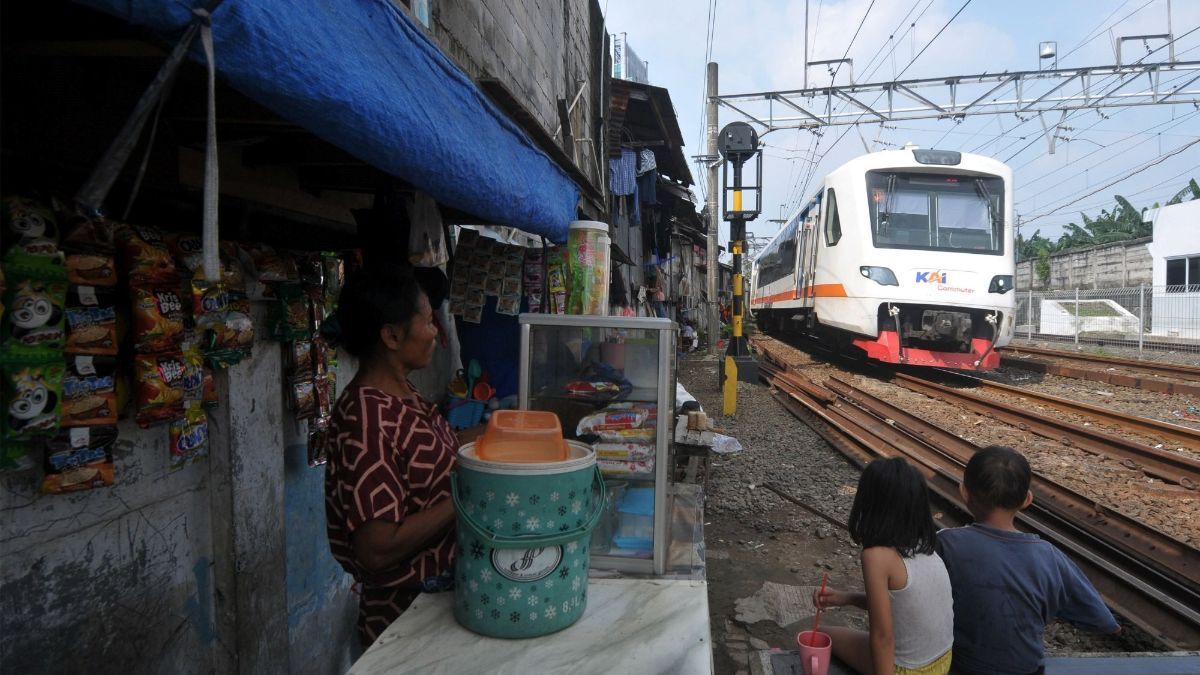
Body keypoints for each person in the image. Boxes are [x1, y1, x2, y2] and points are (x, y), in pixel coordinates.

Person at [324, 264, 459, 646]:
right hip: (404, 620)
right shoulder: (365, 419)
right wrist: (464, 496)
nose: (435, 333)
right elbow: (377, 548)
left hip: (440, 604)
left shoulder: (405, 394)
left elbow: (433, 450)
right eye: (429, 321)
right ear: (392, 335)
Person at [935, 446, 1119, 675]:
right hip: (1025, 669)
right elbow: (1102, 622)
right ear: (1026, 499)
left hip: (962, 668)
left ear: (963, 492)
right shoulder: (1049, 555)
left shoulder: (946, 544)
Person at [814, 457, 954, 675]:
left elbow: (882, 638)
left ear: (868, 504)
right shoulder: (925, 547)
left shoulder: (875, 557)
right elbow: (903, 609)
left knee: (822, 634)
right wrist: (846, 598)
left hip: (907, 670)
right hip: (942, 663)